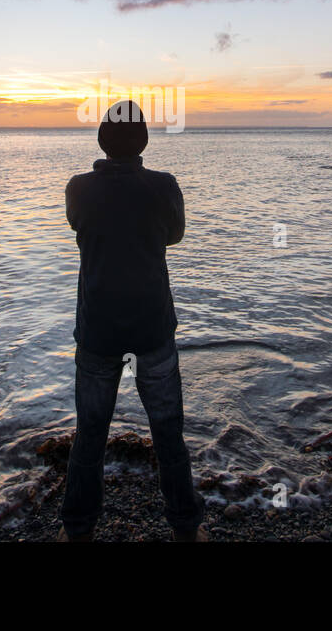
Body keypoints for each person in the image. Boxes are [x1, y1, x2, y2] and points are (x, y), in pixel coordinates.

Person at [59, 100, 206, 541]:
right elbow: (175, 235)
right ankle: (185, 528)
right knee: (168, 435)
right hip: (152, 329)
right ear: (143, 141)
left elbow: (77, 225)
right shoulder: (164, 187)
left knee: (90, 436)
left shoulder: (79, 188)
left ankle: (77, 530)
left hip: (98, 331)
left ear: (102, 141)